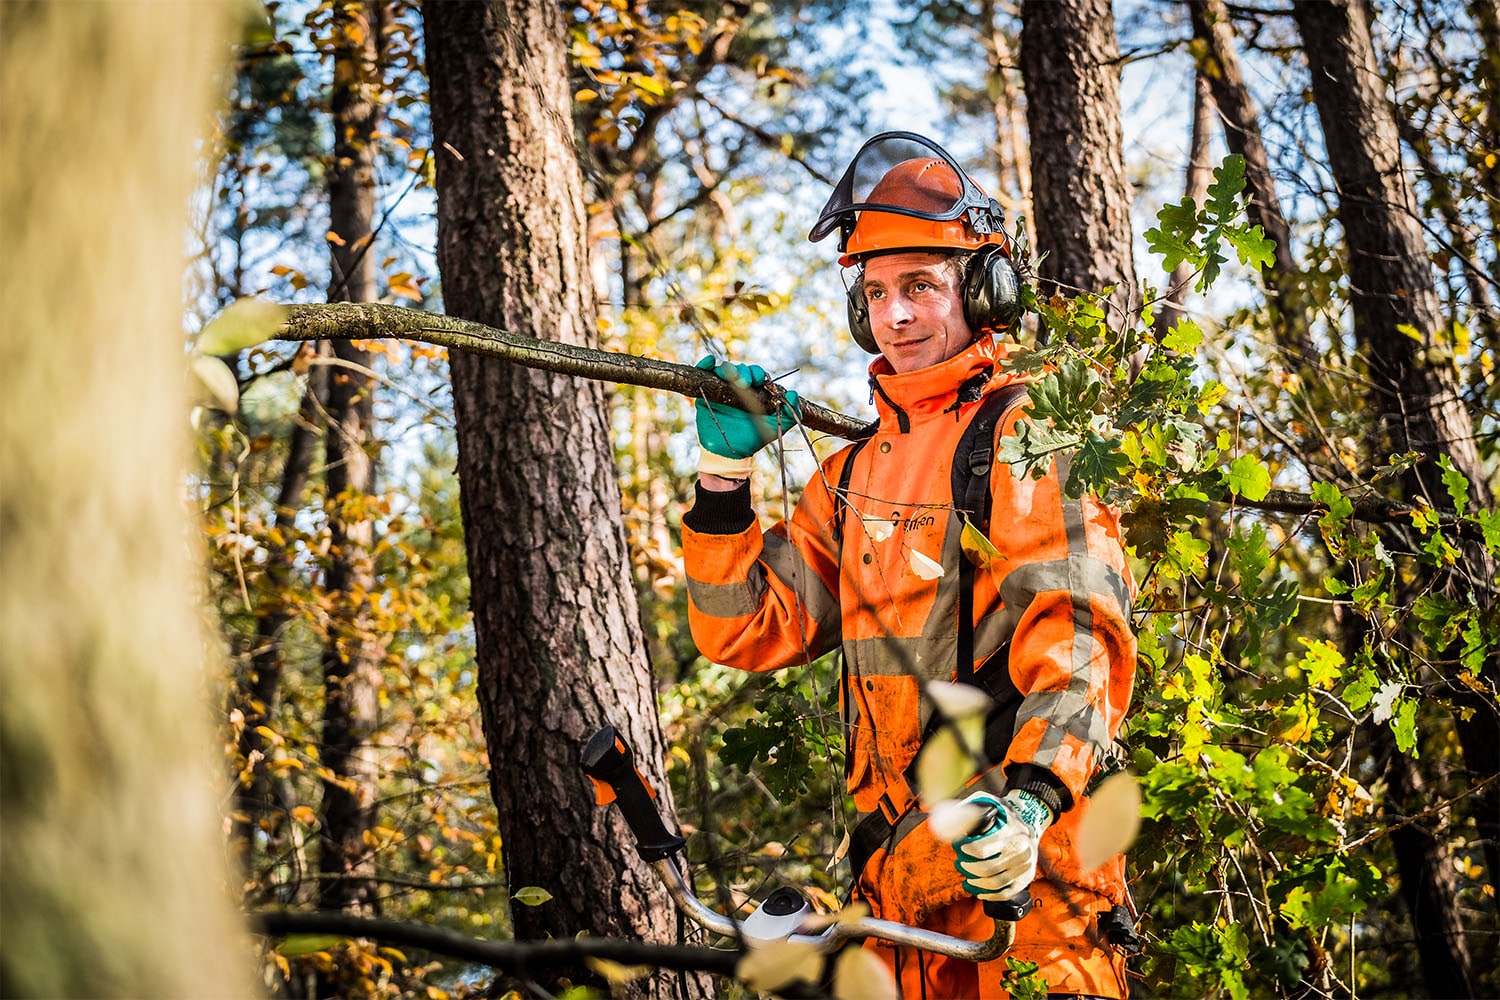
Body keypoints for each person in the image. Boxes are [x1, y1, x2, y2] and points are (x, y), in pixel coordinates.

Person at [681, 132, 1137, 999]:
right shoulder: (853, 475)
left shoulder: (1025, 435)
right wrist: (723, 477)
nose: (896, 316)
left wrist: (1035, 798)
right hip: (895, 898)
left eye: (922, 286)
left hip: (1027, 891)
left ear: (984, 289)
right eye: (878, 291)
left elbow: (1079, 634)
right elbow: (744, 627)